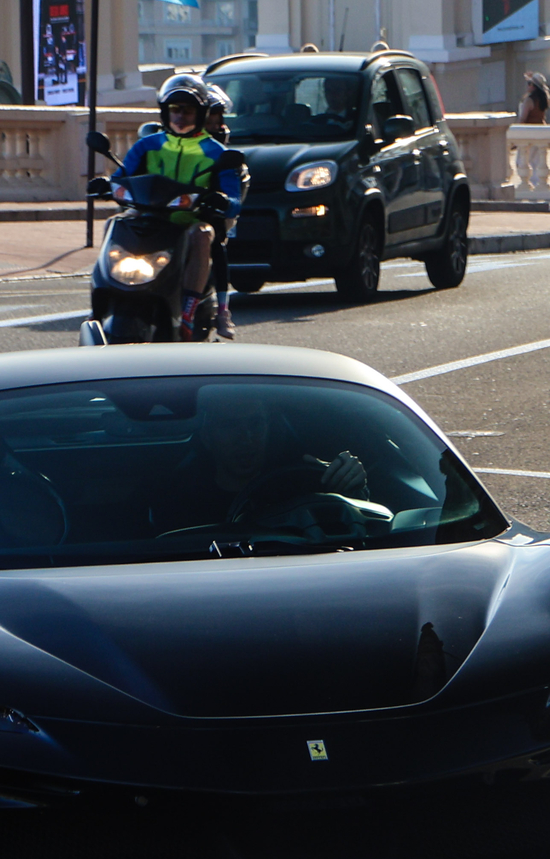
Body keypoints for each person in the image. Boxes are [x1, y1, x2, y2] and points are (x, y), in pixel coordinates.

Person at [117, 73, 245, 340]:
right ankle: (101, 301)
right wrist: (105, 185)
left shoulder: (217, 152)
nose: (180, 116)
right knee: (113, 224)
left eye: (187, 110)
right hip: (148, 219)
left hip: (189, 223)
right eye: (175, 109)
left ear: (200, 113)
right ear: (165, 112)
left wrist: (224, 200)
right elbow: (121, 178)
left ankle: (188, 312)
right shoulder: (146, 145)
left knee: (203, 234)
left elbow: (233, 200)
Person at [150, 388, 373, 536]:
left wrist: (353, 487)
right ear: (207, 437)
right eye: (230, 426)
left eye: (255, 423)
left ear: (268, 428)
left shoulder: (303, 485)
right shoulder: (181, 501)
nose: (246, 437)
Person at [200, 80, 238, 340]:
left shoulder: (222, 154)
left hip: (204, 217)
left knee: (216, 244)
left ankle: (222, 308)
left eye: (218, 122)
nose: (215, 128)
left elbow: (234, 196)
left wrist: (223, 201)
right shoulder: (164, 143)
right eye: (209, 123)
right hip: (167, 215)